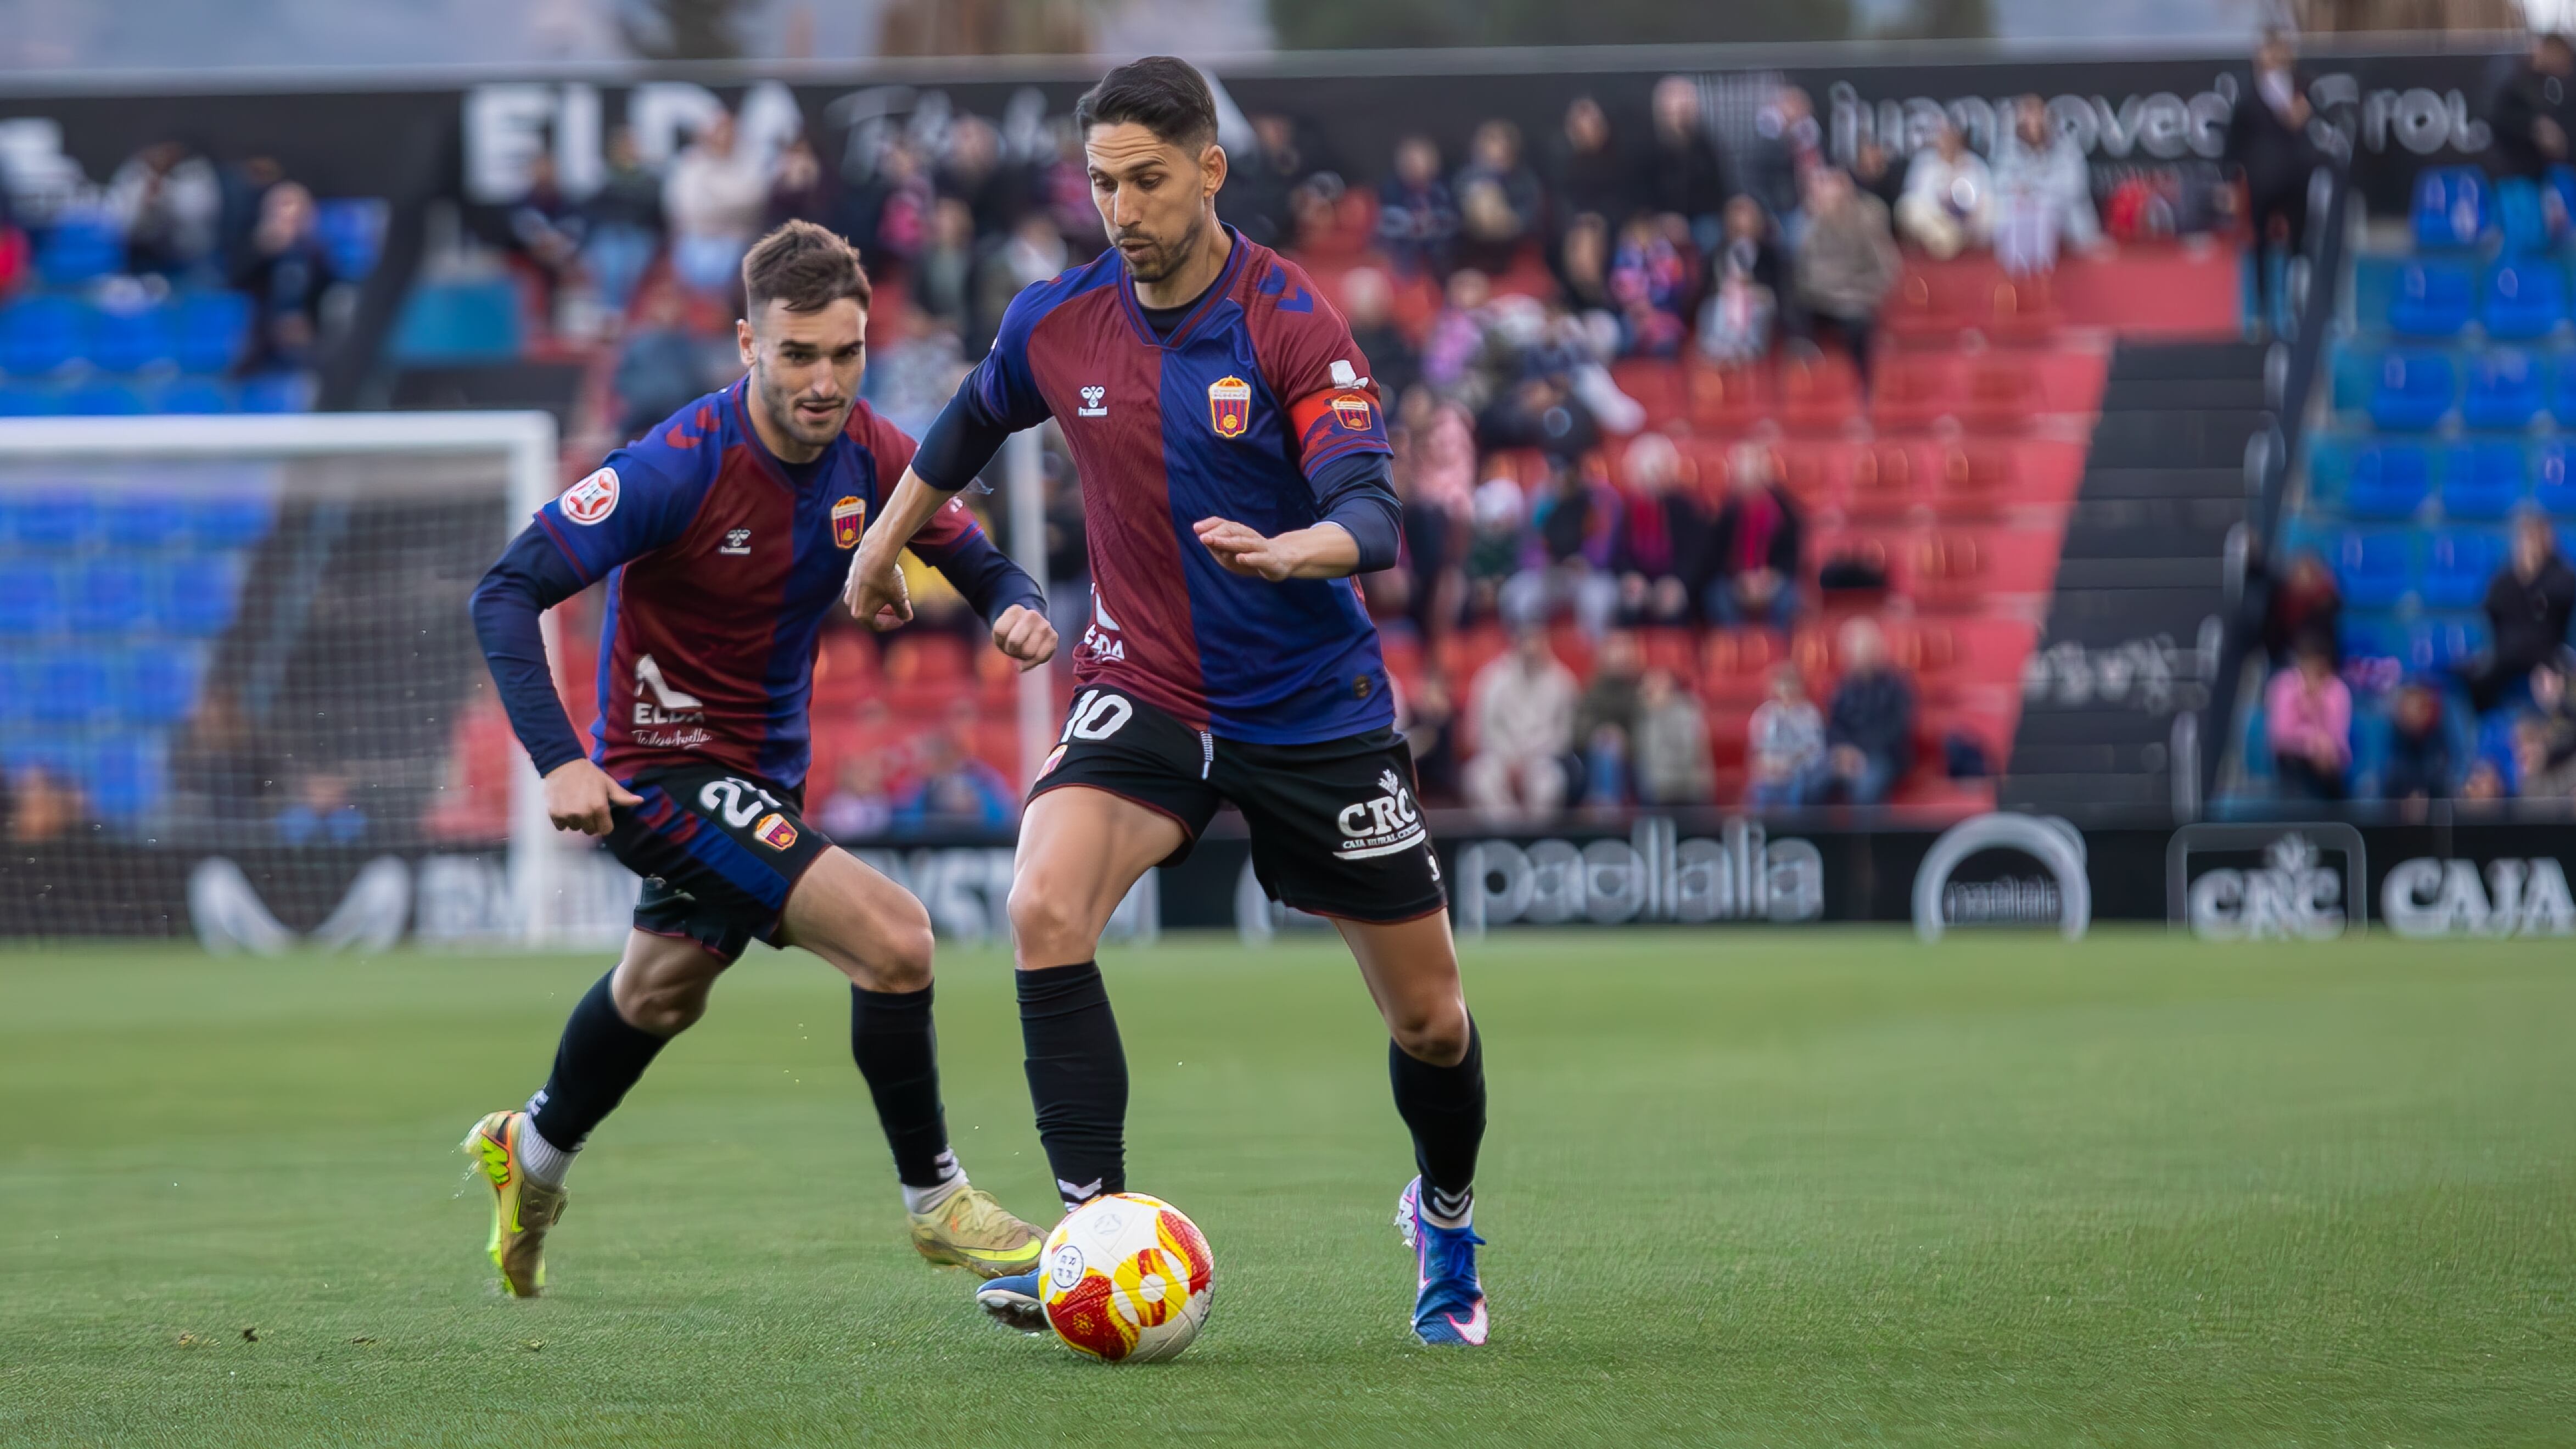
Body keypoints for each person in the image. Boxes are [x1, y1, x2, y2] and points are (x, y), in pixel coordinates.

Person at [843, 59, 1493, 1347]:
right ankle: (1088, 1234)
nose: (1122, 208)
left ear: (1209, 170)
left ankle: (1447, 1221)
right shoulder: (1055, 318)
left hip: (1312, 706)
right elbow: (960, 434)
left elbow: (1371, 515)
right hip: (1144, 683)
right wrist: (879, 550)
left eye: (1146, 179)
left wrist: (1287, 548)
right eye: (1101, 183)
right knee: (1043, 904)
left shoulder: (1291, 320)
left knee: (1428, 1020)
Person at [462, 221, 1060, 1300]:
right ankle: (937, 1200)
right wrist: (558, 760)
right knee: (896, 939)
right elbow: (505, 589)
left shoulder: (875, 450)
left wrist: (1016, 607)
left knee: (661, 990)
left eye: (846, 352)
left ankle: (530, 1151)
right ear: (748, 343)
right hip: (662, 771)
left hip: (762, 777)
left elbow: (981, 560)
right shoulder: (673, 465)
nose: (825, 380)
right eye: (798, 354)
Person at [2226, 30, 2323, 333]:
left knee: (2300, 244)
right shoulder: (2247, 95)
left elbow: (2322, 127)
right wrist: (2230, 183)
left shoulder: (2303, 87)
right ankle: (2262, 312)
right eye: (2269, 51)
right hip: (2262, 180)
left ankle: (2299, 306)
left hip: (2297, 178)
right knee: (2260, 245)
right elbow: (2233, 144)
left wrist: (2304, 113)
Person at [1792, 168, 1900, 387]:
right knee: (1794, 307)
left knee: (1858, 326)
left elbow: (1886, 268)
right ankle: (1807, 384)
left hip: (1855, 298)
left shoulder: (1867, 221)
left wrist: (1858, 292)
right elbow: (1806, 271)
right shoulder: (1812, 224)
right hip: (1821, 298)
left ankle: (1864, 391)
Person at [1464, 625, 1578, 823]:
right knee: (1478, 778)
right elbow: (1483, 729)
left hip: (1541, 759)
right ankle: (1506, 837)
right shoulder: (1491, 679)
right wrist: (1509, 759)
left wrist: (1529, 759)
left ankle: (1533, 840)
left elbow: (1564, 736)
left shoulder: (1563, 682)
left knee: (1551, 783)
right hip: (1500, 757)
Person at [2468, 511, 2576, 710]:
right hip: (2509, 655)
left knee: (2564, 684)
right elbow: (2492, 609)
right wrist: (2524, 576)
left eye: (2537, 537)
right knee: (2473, 680)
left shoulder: (2561, 574)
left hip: (2549, 654)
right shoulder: (2506, 579)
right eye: (2527, 538)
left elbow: (2564, 597)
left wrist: (2535, 577)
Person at [229, 181, 337, 374]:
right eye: (279, 206)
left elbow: (324, 293)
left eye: (291, 206)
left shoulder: (316, 255)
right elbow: (234, 284)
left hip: (306, 342)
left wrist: (307, 324)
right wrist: (264, 248)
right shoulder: (252, 249)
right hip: (260, 342)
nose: (286, 214)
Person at [662, 111, 768, 300]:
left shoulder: (750, 162)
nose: (722, 138)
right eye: (717, 132)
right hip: (697, 236)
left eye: (727, 132)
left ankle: (723, 316)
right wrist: (725, 199)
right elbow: (688, 208)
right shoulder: (691, 163)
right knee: (696, 266)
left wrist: (712, 194)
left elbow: (751, 201)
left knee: (726, 267)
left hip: (736, 238)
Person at [1990, 95, 2101, 275]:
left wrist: (2037, 192)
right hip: (2021, 212)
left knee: (2045, 215)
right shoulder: (2007, 149)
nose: (2032, 123)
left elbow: (2073, 188)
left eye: (2036, 117)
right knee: (2010, 212)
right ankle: (2015, 277)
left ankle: (2044, 275)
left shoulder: (2066, 147)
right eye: (2026, 118)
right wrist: (2020, 190)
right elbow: (1999, 182)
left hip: (2059, 211)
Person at [1701, 443, 1804, 630]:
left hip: (1773, 579)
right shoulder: (1726, 512)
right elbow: (1714, 557)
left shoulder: (1785, 512)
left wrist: (1771, 577)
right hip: (1735, 581)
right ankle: (1735, 653)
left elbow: (1792, 555)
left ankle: (1778, 652)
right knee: (1717, 597)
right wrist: (1740, 579)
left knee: (1789, 599)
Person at [1610, 432, 1703, 625]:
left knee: (1673, 604)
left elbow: (1694, 554)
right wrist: (1630, 576)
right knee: (1628, 602)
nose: (1651, 479)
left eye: (1657, 471)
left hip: (1673, 580)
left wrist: (1677, 581)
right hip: (1637, 581)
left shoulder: (1685, 508)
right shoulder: (1624, 508)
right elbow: (1617, 551)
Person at [1823, 616, 1915, 805]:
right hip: (1846, 755)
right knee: (1810, 780)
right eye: (1852, 649)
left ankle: (1862, 835)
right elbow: (1834, 726)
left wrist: (1860, 754)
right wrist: (1843, 751)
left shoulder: (1897, 686)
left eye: (1864, 648)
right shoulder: (1842, 687)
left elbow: (1898, 730)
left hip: (1884, 756)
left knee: (1866, 786)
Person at [105, 141, 221, 279]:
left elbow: (192, 219)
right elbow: (122, 225)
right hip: (141, 260)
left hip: (189, 262)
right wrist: (148, 199)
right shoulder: (137, 173)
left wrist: (164, 195)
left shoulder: (196, 174)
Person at [581, 125, 665, 315]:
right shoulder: (604, 177)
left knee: (631, 266)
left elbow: (653, 212)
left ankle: (622, 314)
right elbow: (594, 211)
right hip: (610, 234)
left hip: (639, 234)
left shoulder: (649, 180)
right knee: (609, 264)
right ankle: (611, 314)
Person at [1698, 194, 1787, 363]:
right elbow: (1706, 286)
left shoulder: (1770, 255)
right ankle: (1718, 346)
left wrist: (1755, 290)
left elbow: (1780, 288)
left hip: (1757, 301)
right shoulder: (1719, 253)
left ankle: (1748, 347)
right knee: (1714, 306)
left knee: (1757, 310)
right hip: (1726, 302)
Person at [1645, 76, 1732, 249]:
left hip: (1701, 220)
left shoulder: (1706, 147)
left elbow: (1717, 191)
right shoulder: (1649, 148)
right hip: (1659, 219)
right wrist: (1665, 219)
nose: (1680, 111)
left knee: (1710, 235)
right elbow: (1643, 192)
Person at [890, 718, 1017, 835]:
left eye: (936, 753)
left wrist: (973, 804)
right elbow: (903, 824)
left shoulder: (983, 778)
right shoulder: (919, 786)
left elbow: (1002, 818)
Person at [2265, 631, 2350, 801]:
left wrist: (2320, 704)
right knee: (2294, 768)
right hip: (2292, 758)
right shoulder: (2284, 685)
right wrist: (2311, 743)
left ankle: (2336, 820)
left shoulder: (2338, 691)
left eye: (2321, 669)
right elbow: (2281, 735)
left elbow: (2338, 737)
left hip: (2328, 762)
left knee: (2332, 773)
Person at [612, 287, 708, 437]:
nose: (669, 310)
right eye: (664, 304)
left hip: (678, 410)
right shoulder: (639, 343)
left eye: (673, 304)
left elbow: (697, 382)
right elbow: (623, 381)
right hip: (644, 410)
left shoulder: (688, 345)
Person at [1895, 120, 1993, 260]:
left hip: (1967, 222)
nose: (1947, 141)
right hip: (1936, 220)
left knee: (1991, 206)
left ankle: (1955, 242)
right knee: (1907, 206)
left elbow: (1983, 197)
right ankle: (1947, 242)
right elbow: (1916, 197)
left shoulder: (1975, 163)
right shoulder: (1924, 162)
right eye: (1944, 137)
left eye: (1952, 137)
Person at [2490, 32, 2576, 181]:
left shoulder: (2561, 84)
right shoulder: (2514, 81)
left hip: (2554, 171)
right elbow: (2499, 117)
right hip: (2519, 172)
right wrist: (2535, 126)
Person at [1547, 96, 1632, 236]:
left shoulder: (1619, 162)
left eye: (1595, 124)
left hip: (1612, 228)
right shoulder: (1561, 163)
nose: (1589, 130)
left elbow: (1623, 201)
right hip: (1575, 230)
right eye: (1582, 126)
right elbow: (1560, 204)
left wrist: (1604, 219)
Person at [1377, 134, 1459, 279]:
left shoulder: (1445, 190)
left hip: (1438, 248)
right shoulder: (1391, 191)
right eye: (1411, 161)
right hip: (1404, 245)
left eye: (1421, 160)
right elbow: (1387, 224)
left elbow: (1452, 221)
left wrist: (1433, 223)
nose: (1416, 166)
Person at [1748, 663, 1827, 807]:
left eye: (1792, 683)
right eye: (1783, 683)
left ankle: (1794, 828)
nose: (1787, 689)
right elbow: (1756, 752)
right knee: (1759, 787)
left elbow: (1815, 752)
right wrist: (1770, 765)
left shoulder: (1811, 715)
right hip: (1770, 774)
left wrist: (1790, 764)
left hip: (1798, 776)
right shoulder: (1763, 714)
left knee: (1799, 788)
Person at [1632, 668, 1712, 805]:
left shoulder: (1687, 711)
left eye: (1660, 680)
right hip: (1652, 789)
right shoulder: (1640, 712)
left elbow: (1687, 754)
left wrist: (1661, 713)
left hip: (1686, 786)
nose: (1655, 686)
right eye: (1651, 681)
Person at [2380, 681, 2452, 803]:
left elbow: (2443, 779)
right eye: (2406, 709)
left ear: (2427, 710)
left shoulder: (2441, 732)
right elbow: (2392, 778)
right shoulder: (2396, 736)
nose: (2410, 716)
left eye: (2415, 709)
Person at [816, 751, 894, 840]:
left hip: (875, 849)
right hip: (844, 848)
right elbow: (835, 831)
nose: (867, 778)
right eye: (860, 774)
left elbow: (881, 829)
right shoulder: (837, 802)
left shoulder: (879, 801)